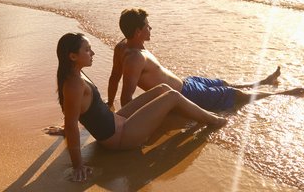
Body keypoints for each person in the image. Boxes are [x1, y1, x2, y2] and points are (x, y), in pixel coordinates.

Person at [53, 32, 226, 182]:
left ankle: (193, 115)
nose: (93, 52)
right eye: (87, 50)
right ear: (73, 56)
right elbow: (72, 122)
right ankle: (214, 120)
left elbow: (73, 112)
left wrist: (66, 129)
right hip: (119, 138)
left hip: (118, 121)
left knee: (163, 89)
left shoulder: (74, 74)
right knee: (172, 96)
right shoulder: (74, 84)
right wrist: (78, 165)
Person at [106, 8, 304, 112]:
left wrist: (109, 104)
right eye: (148, 26)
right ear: (138, 31)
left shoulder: (123, 45)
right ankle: (283, 93)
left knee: (225, 84)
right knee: (236, 95)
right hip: (188, 95)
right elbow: (126, 98)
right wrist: (129, 122)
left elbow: (114, 78)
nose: (151, 29)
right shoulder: (133, 59)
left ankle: (264, 82)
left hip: (188, 82)